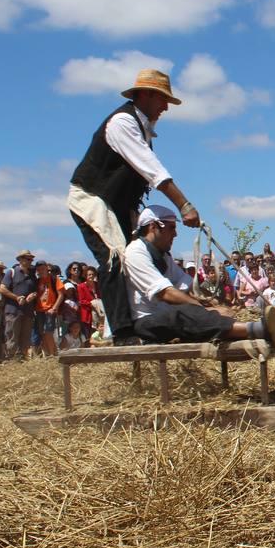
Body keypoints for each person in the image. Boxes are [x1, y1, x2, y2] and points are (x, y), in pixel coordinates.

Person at [68, 68, 203, 347]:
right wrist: (183, 204)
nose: (165, 107)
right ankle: (122, 334)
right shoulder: (122, 122)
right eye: (162, 99)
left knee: (133, 257)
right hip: (94, 199)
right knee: (114, 258)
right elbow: (152, 170)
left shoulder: (143, 129)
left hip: (118, 205)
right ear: (145, 95)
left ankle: (141, 322)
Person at [122, 205, 275, 347]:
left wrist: (214, 301)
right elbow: (166, 293)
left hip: (169, 317)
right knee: (184, 313)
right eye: (171, 228)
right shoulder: (136, 252)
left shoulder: (164, 257)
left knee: (202, 310)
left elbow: (189, 287)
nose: (175, 234)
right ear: (153, 227)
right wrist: (205, 308)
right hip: (148, 322)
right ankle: (262, 330)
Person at [0, 251, 38, 360]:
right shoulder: (11, 272)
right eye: (27, 259)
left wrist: (33, 295)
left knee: (25, 338)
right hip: (13, 310)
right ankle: (11, 359)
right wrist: (16, 297)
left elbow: (35, 290)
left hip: (28, 311)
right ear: (20, 259)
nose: (30, 261)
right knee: (12, 336)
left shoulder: (32, 275)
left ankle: (22, 359)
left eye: (31, 259)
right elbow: (2, 289)